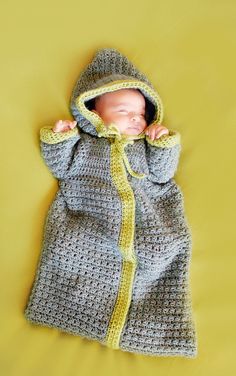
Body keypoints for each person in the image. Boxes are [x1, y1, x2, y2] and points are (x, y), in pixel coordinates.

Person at [24, 47, 197, 358]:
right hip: (89, 220)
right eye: (123, 111)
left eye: (141, 114)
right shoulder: (86, 147)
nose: (135, 118)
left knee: (162, 249)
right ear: (93, 113)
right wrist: (61, 138)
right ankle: (72, 311)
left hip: (147, 222)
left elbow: (162, 175)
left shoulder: (143, 147)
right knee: (70, 246)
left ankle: (152, 327)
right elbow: (60, 166)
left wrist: (162, 144)